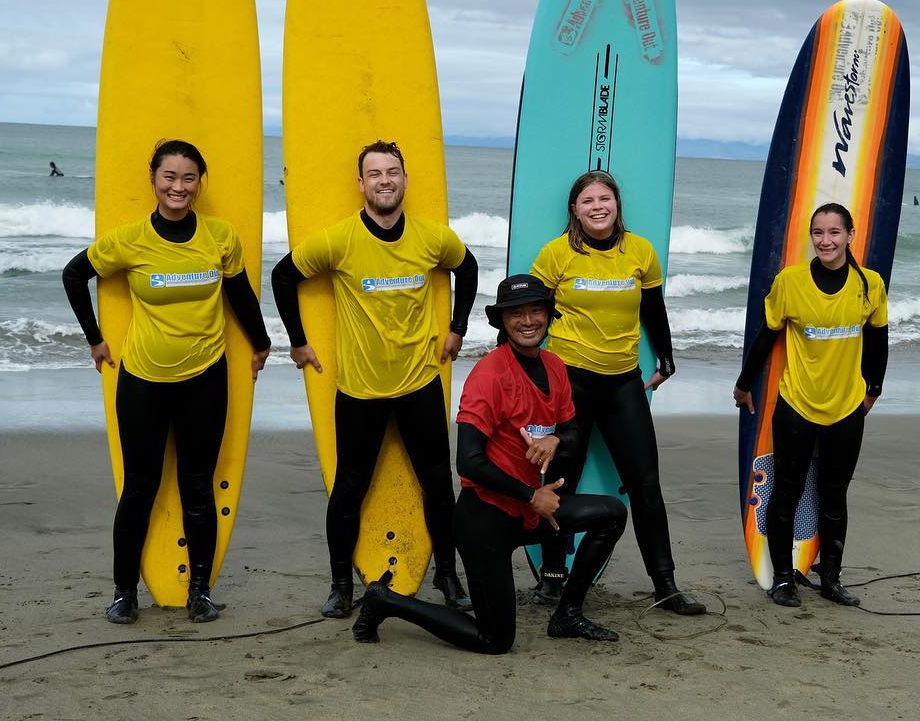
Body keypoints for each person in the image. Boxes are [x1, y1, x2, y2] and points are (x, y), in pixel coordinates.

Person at [351, 274, 628, 650]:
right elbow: (468, 461)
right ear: (503, 322)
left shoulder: (555, 367)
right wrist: (531, 495)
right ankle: (386, 601)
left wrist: (554, 438)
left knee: (611, 513)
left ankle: (567, 613)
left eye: (536, 310)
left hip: (531, 511)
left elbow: (573, 430)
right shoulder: (490, 375)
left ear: (549, 316)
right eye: (516, 313)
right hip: (486, 518)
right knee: (494, 639)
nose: (527, 321)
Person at [62, 139, 271, 624]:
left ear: (200, 183)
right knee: (139, 487)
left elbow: (239, 294)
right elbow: (74, 276)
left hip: (205, 379)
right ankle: (123, 592)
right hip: (143, 382)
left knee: (197, 487)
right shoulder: (130, 239)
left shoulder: (220, 236)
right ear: (153, 179)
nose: (178, 186)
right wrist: (94, 339)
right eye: (169, 177)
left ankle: (200, 590)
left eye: (188, 178)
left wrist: (261, 344)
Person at [271, 140, 478, 618]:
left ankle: (447, 575)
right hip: (360, 391)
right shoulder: (339, 239)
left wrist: (457, 328)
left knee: (437, 486)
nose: (385, 180)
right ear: (360, 184)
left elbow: (466, 268)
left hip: (419, 384)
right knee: (349, 489)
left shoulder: (431, 237)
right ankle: (340, 584)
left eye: (392, 172)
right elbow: (283, 277)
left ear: (404, 180)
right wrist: (298, 342)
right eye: (375, 174)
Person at [527, 170, 704, 616]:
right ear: (575, 209)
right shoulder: (556, 254)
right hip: (571, 385)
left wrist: (665, 357)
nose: (597, 207)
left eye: (604, 198)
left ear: (616, 204)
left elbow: (654, 308)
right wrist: (520, 373)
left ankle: (665, 585)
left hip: (623, 381)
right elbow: (527, 316)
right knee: (560, 481)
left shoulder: (639, 251)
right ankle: (552, 577)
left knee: (646, 484)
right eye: (587, 201)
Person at [733, 202, 888, 608]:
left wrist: (874, 389)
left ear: (850, 236)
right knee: (787, 491)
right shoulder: (791, 281)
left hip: (846, 406)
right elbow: (767, 336)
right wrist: (744, 384)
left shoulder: (870, 284)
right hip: (797, 403)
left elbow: (877, 339)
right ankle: (783, 579)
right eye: (818, 233)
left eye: (834, 232)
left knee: (835, 494)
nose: (826, 240)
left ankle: (831, 579)